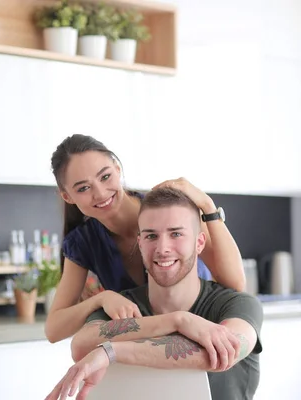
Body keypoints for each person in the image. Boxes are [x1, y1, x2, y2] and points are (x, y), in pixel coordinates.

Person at [45, 187, 263, 400]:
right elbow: (82, 344)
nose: (163, 248)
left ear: (199, 243)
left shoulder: (237, 304)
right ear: (140, 244)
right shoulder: (123, 305)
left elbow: (222, 352)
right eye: (151, 236)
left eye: (176, 233)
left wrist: (111, 352)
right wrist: (178, 321)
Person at [45, 134, 246, 343]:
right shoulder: (83, 242)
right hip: (143, 353)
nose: (100, 193)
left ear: (117, 169)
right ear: (67, 196)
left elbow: (235, 283)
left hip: (203, 337)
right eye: (83, 188)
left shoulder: (167, 208)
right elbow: (54, 330)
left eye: (105, 177)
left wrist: (207, 204)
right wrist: (102, 299)